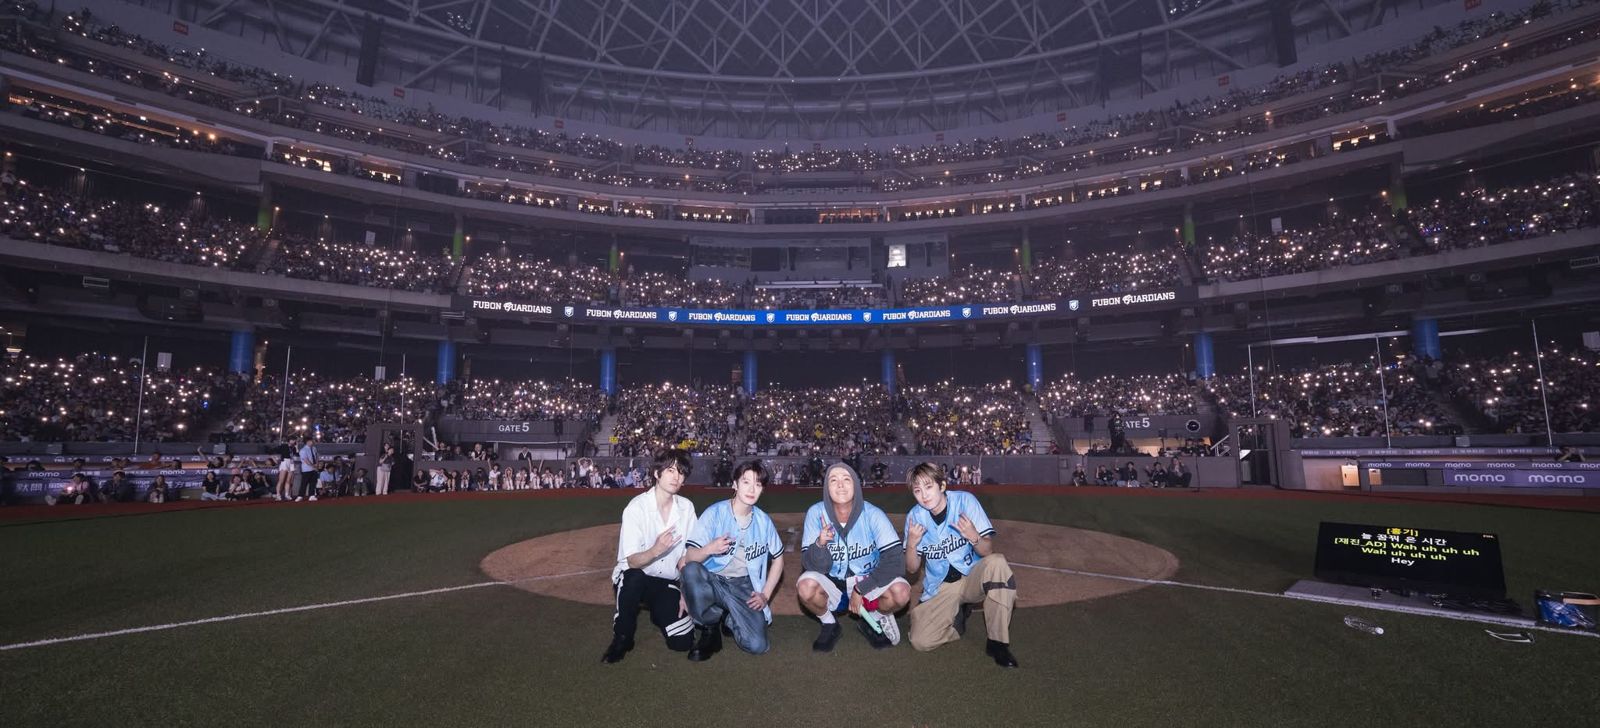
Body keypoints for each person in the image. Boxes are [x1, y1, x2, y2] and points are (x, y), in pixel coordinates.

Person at [902, 462, 1018, 667]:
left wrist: (974, 537)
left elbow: (987, 550)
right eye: (917, 490)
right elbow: (912, 568)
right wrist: (911, 544)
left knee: (997, 563)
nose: (924, 495)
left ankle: (997, 643)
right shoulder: (914, 517)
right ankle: (958, 619)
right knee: (920, 641)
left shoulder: (965, 501)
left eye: (929, 487)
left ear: (942, 486)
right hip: (941, 586)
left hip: (971, 575)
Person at [678, 460, 785, 661]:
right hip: (712, 579)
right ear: (735, 484)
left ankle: (728, 618)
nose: (752, 489)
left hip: (743, 584)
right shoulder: (715, 513)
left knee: (757, 645)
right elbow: (690, 557)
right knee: (690, 571)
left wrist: (765, 595)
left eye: (758, 484)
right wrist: (709, 549)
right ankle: (710, 627)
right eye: (746, 482)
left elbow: (778, 560)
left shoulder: (763, 521)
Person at [797, 462, 910, 652]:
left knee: (901, 593)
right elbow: (812, 566)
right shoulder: (816, 514)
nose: (840, 485)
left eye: (846, 479)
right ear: (826, 488)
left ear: (856, 485)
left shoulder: (873, 514)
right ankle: (829, 624)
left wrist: (860, 589)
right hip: (833, 582)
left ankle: (872, 619)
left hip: (868, 582)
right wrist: (820, 544)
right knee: (805, 587)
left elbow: (896, 561)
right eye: (833, 480)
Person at [601, 449, 698, 664]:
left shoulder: (686, 508)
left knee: (682, 643)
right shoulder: (637, 508)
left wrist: (685, 591)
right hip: (636, 577)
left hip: (666, 582)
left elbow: (688, 555)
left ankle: (659, 611)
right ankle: (623, 637)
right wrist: (656, 549)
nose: (676, 477)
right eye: (671, 470)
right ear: (656, 473)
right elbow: (633, 561)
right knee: (633, 578)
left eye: (681, 473)